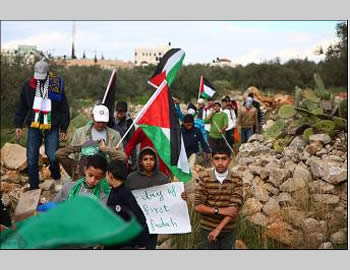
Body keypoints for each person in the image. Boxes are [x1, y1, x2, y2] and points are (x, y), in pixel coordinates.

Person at [14, 60, 70, 190]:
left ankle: (56, 178)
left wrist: (64, 128)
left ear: (47, 73)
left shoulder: (56, 86)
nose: (40, 79)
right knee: (32, 157)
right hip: (34, 124)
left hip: (52, 124)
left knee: (52, 155)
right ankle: (34, 186)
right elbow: (21, 106)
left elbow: (64, 107)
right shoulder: (27, 86)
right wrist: (18, 124)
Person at [56, 104, 126, 181]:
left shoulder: (114, 135)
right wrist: (81, 147)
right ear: (93, 118)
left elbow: (122, 158)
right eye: (98, 121)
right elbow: (70, 156)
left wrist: (106, 149)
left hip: (105, 174)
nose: (101, 124)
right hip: (83, 173)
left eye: (103, 122)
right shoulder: (80, 133)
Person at [194, 148, 243, 249]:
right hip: (207, 228)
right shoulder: (205, 178)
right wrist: (219, 210)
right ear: (212, 160)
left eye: (224, 159)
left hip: (228, 230)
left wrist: (218, 229)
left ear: (230, 160)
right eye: (216, 159)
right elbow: (198, 206)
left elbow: (234, 209)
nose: (220, 163)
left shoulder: (236, 179)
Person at [125, 147, 170, 249]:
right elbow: (126, 198)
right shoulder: (131, 178)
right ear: (140, 162)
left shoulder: (163, 178)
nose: (148, 162)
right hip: (135, 223)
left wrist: (181, 196)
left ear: (156, 161)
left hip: (155, 223)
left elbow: (170, 199)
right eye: (145, 159)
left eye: (151, 159)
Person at [104, 160, 150, 249]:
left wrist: (141, 244)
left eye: (106, 174)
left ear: (110, 175)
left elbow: (141, 219)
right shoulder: (113, 191)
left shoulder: (126, 194)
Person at [113, 101, 137, 169]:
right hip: (113, 152)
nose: (120, 115)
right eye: (118, 113)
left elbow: (132, 143)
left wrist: (134, 162)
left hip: (124, 155)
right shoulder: (112, 121)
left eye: (122, 113)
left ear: (125, 112)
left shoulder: (129, 123)